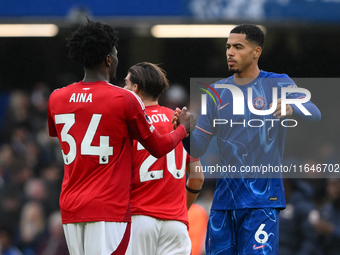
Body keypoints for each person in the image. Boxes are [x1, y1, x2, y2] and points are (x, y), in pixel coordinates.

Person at [173, 24, 321, 254]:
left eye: (238, 47)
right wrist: (185, 132)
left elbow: (315, 113)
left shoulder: (277, 82)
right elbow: (199, 148)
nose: (230, 52)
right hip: (223, 204)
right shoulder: (216, 92)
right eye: (228, 47)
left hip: (261, 203)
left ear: (256, 52)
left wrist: (294, 107)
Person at [47, 20, 192, 255]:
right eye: (114, 53)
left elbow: (61, 135)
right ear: (108, 59)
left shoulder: (56, 97)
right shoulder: (124, 99)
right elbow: (157, 147)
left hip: (71, 207)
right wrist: (182, 129)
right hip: (107, 208)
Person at [124, 62, 204, 255]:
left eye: (126, 84)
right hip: (176, 224)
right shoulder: (180, 121)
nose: (123, 88)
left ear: (136, 89)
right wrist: (179, 211)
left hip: (139, 219)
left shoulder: (128, 124)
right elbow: (198, 177)